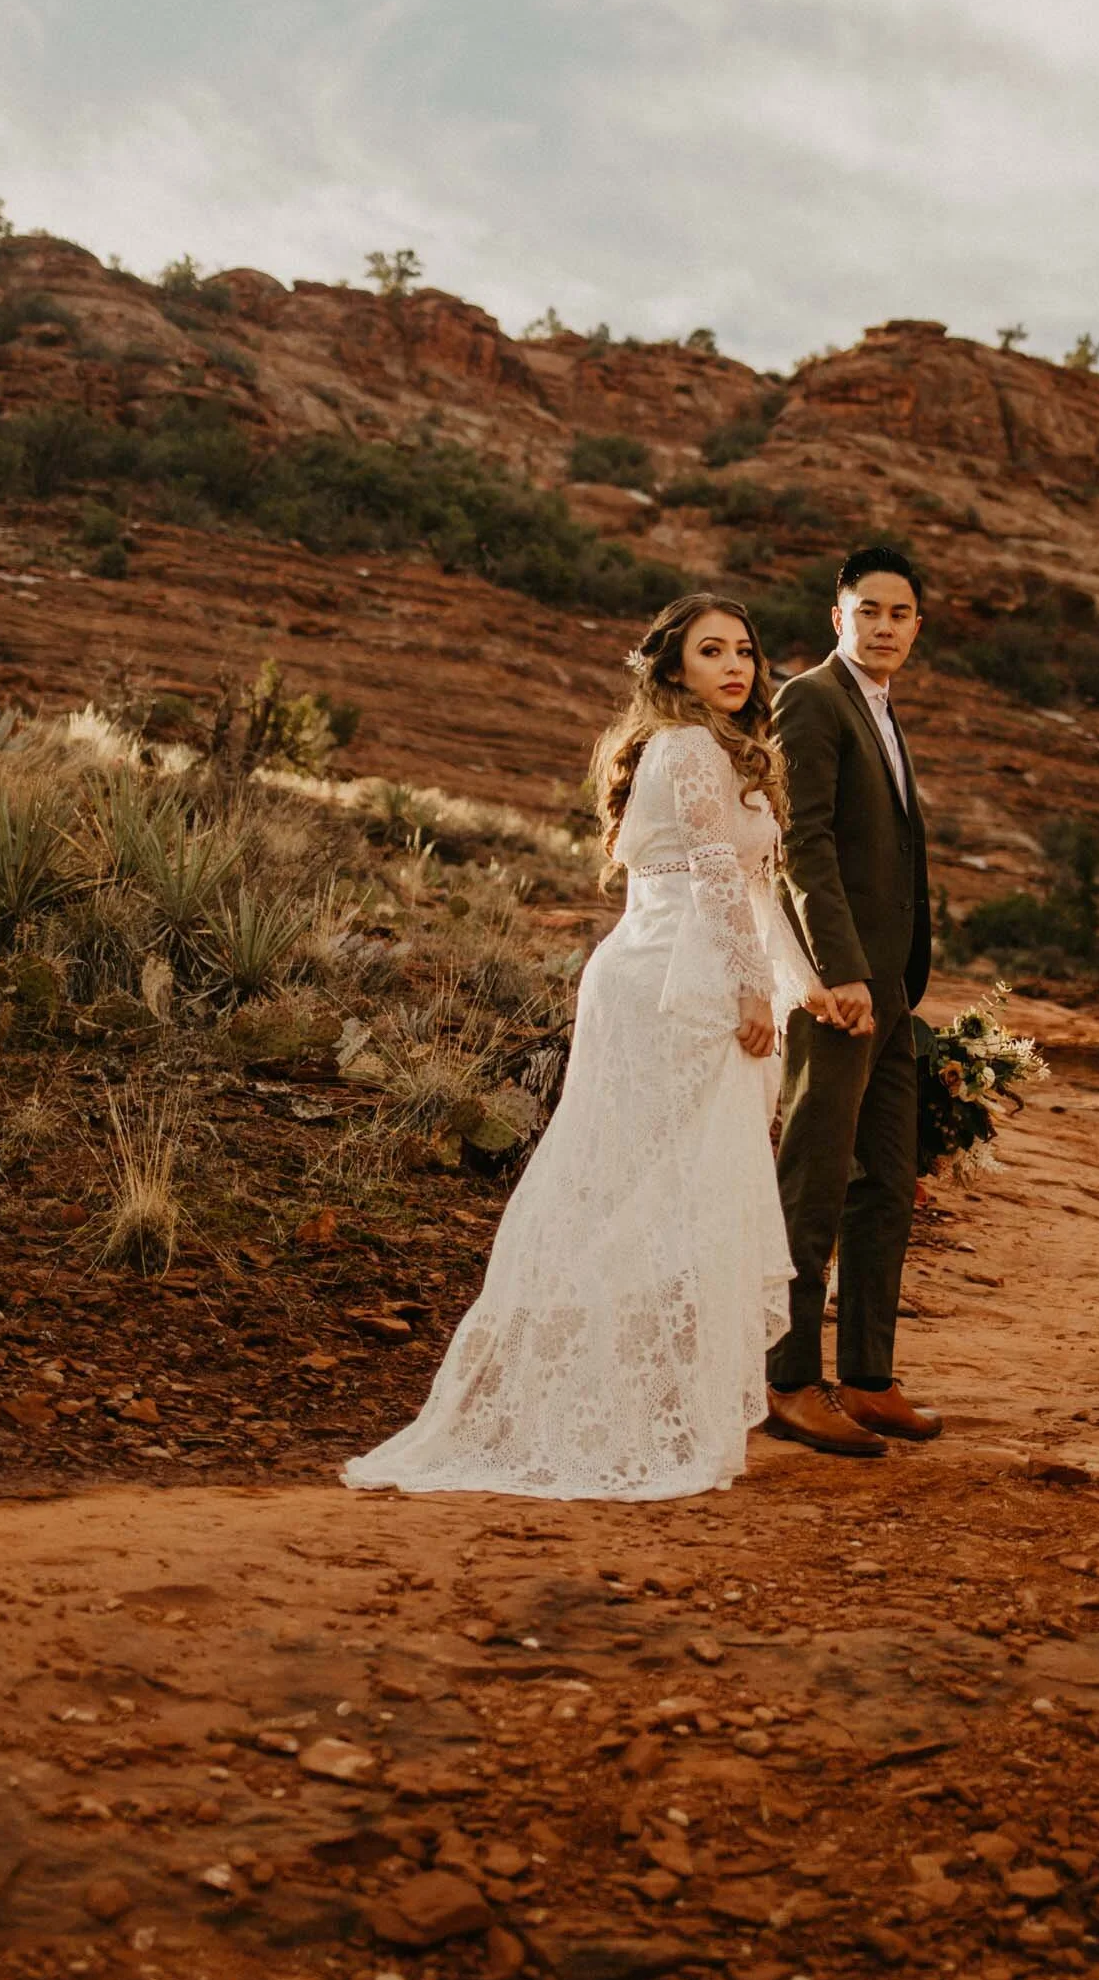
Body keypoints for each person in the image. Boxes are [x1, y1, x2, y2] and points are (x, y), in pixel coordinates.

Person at [344, 597, 838, 1503]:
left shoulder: (724, 750)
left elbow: (756, 889)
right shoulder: (686, 748)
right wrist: (747, 990)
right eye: (712, 651)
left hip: (694, 973)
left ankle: (651, 1403)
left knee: (679, 1189)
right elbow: (714, 874)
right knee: (649, 1188)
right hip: (672, 986)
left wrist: (802, 987)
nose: (736, 665)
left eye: (744, 650)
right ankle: (605, 1400)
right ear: (674, 668)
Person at [764, 545, 937, 1459]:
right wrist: (838, 972)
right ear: (838, 617)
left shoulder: (882, 708)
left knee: (887, 1185)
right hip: (838, 989)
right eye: (868, 610)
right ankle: (789, 1380)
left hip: (892, 989)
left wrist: (895, 980)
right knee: (815, 1179)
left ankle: (869, 1378)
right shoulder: (811, 698)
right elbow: (804, 844)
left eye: (899, 613)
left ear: (917, 626)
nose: (884, 627)